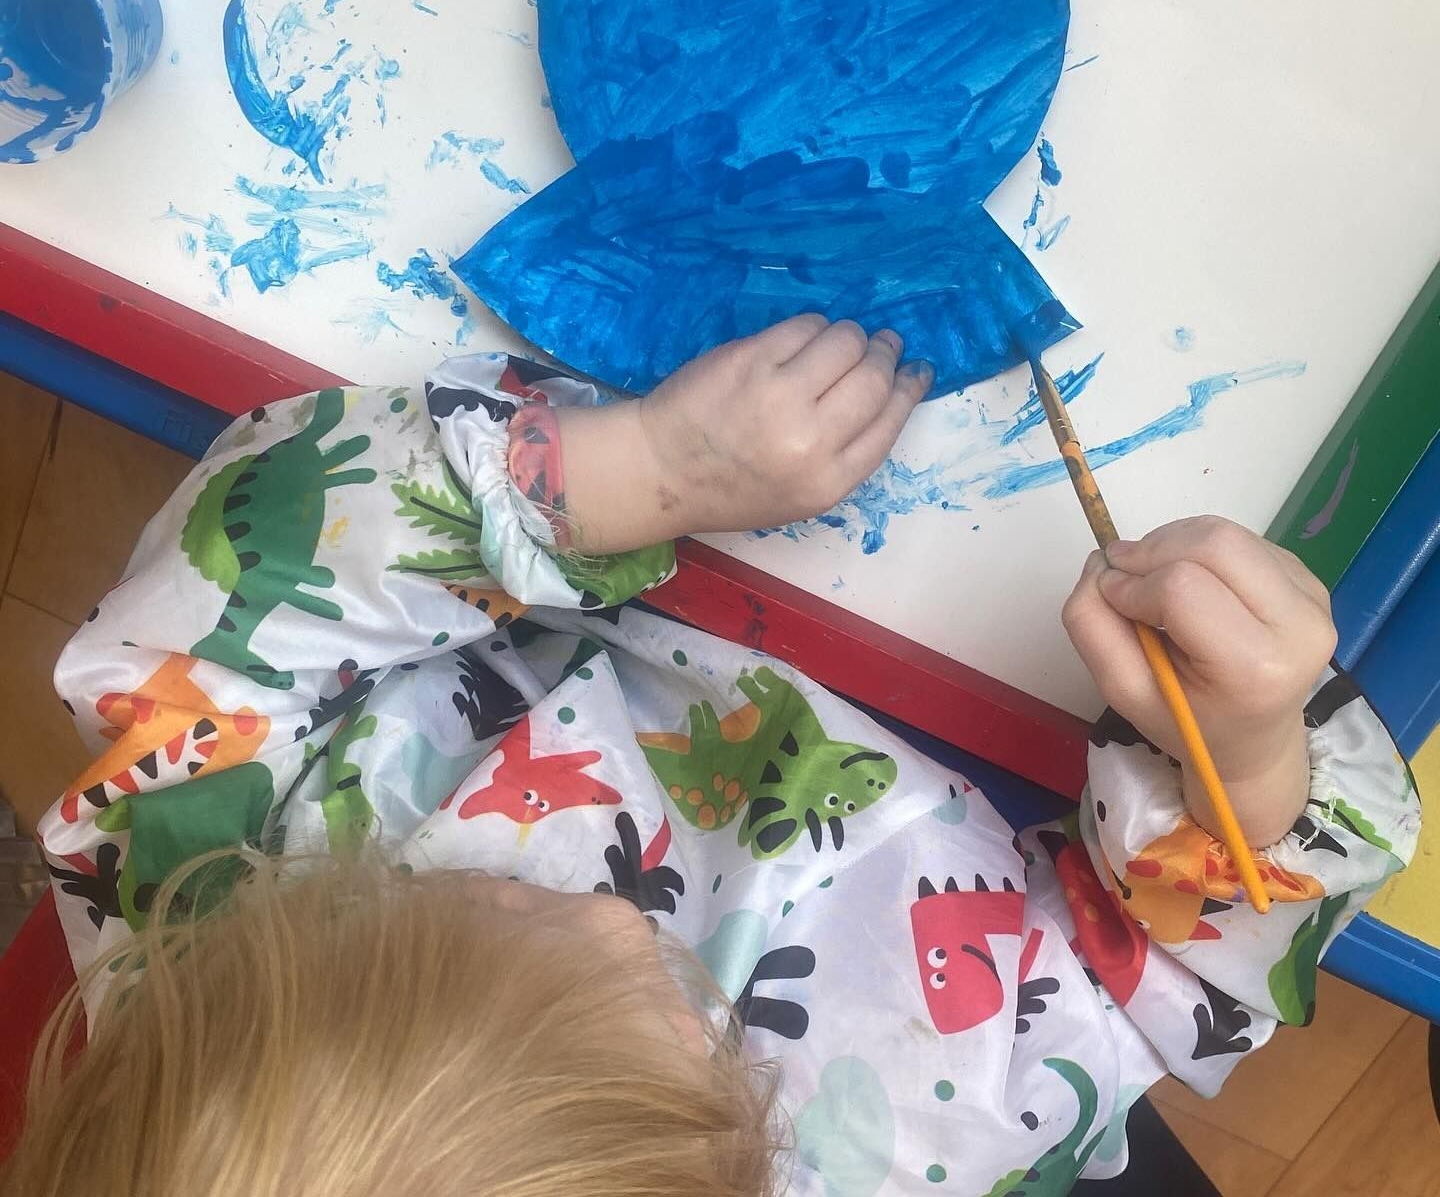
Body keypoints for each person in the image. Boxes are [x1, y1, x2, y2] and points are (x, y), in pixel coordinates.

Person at [4, 318, 1418, 1197]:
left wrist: (634, 474)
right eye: (659, 1004)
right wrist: (1240, 754)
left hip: (607, 575)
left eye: (435, 900)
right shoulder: (926, 1129)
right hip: (978, 732)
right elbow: (1184, 972)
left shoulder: (192, 927)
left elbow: (218, 593)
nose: (605, 910)